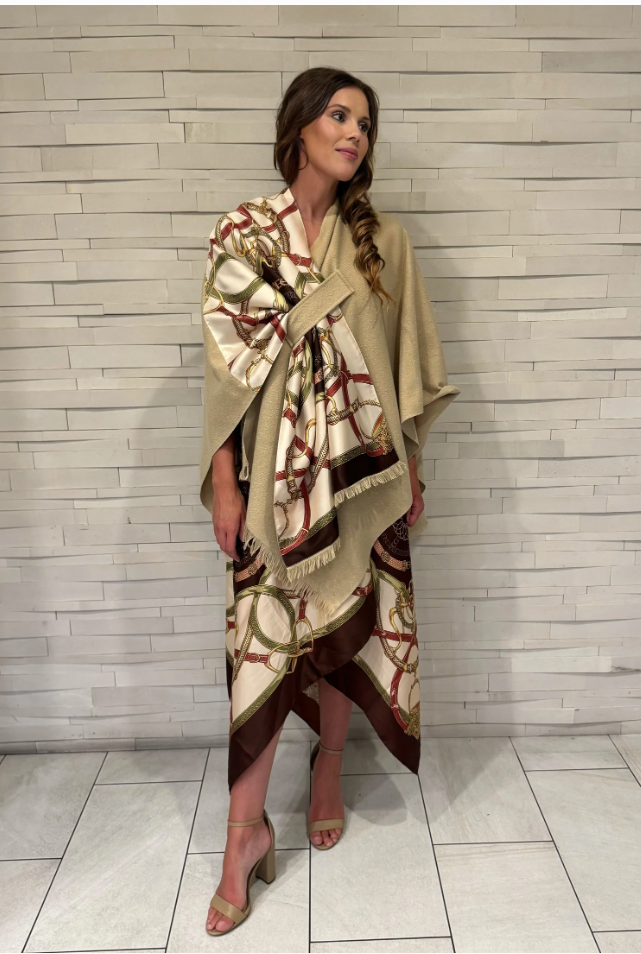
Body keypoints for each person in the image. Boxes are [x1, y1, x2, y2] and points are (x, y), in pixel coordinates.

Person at [199, 66, 459, 936]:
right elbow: (227, 379)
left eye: (365, 123)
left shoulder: (384, 241)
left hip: (366, 478)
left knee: (348, 619)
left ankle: (329, 769)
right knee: (263, 644)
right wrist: (226, 482)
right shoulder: (243, 235)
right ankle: (243, 832)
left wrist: (411, 468)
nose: (354, 133)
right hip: (271, 486)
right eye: (339, 116)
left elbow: (404, 368)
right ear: (299, 128)